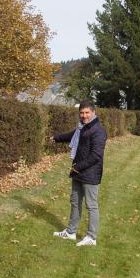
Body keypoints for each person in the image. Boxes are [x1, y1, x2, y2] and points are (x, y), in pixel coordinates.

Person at [51, 100, 107, 247]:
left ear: (93, 113)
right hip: (78, 172)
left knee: (91, 205)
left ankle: (91, 237)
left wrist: (77, 167)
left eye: (87, 112)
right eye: (82, 113)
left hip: (90, 173)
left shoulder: (98, 131)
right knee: (75, 202)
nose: (84, 115)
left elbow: (96, 156)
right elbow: (71, 135)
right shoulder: (82, 128)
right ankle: (70, 232)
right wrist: (55, 138)